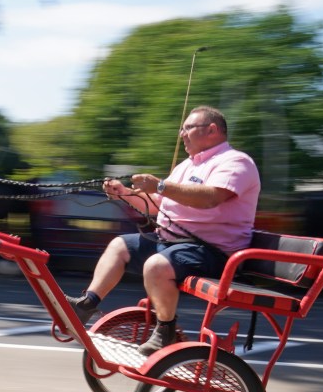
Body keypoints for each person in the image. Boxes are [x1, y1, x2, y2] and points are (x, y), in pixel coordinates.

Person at [66, 105, 261, 356]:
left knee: (156, 266)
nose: (182, 134)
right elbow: (160, 205)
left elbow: (211, 198)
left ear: (212, 130)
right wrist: (124, 194)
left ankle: (165, 331)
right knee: (119, 245)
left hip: (213, 251)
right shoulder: (187, 166)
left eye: (188, 128)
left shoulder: (236, 162)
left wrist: (160, 185)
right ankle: (87, 304)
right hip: (172, 243)